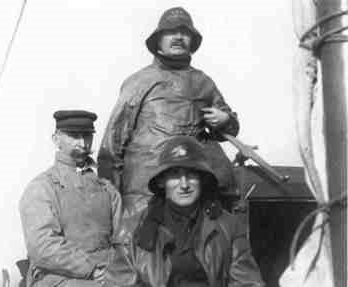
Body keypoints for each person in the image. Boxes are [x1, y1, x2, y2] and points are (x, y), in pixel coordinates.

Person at [98, 7, 239, 219]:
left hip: (191, 190)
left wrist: (225, 119)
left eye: (185, 33)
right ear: (158, 40)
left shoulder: (203, 82)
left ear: (192, 40)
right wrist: (110, 202)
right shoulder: (139, 82)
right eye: (171, 32)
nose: (179, 37)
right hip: (145, 192)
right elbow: (112, 147)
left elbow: (231, 128)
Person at [109, 136, 264, 287]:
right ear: (162, 181)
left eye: (191, 174)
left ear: (202, 179)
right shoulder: (130, 231)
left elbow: (248, 282)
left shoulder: (229, 227)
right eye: (175, 174)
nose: (184, 184)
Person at [19, 110, 122, 287]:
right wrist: (91, 269)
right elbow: (43, 247)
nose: (82, 143)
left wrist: (113, 270)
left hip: (106, 276)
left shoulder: (107, 190)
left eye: (87, 136)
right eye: (74, 135)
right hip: (56, 277)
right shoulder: (42, 188)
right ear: (56, 139)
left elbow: (122, 241)